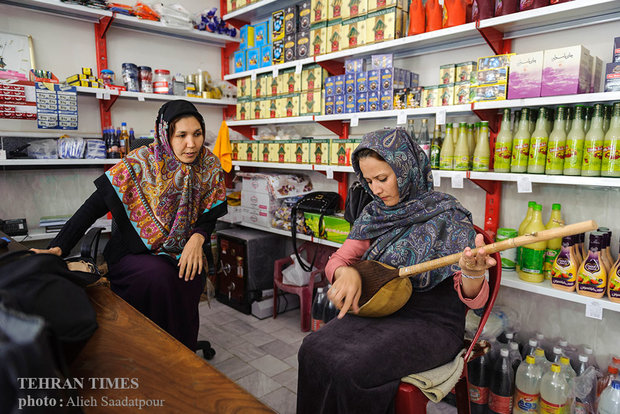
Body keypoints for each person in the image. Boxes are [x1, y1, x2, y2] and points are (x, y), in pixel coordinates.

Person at [297, 128, 495, 413]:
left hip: (432, 323)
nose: (375, 189)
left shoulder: (449, 216)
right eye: (368, 181)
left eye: (383, 178)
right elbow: (338, 260)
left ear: (407, 170)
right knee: (312, 350)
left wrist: (473, 274)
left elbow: (474, 300)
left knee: (351, 367)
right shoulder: (375, 214)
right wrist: (345, 273)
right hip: (382, 309)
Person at [32, 100, 227, 350]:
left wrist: (198, 238)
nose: (191, 144)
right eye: (182, 135)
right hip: (134, 252)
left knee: (189, 275)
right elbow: (92, 207)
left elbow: (209, 213)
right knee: (159, 278)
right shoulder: (140, 162)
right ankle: (149, 351)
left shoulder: (208, 165)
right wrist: (59, 247)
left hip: (183, 249)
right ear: (165, 134)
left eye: (197, 134)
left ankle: (181, 354)